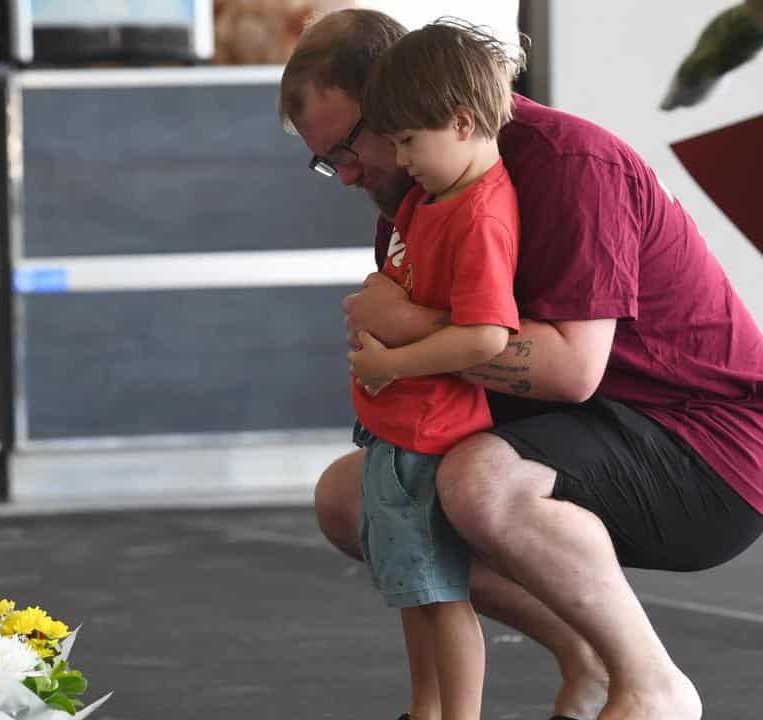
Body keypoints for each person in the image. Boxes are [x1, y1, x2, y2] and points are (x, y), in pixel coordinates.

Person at [278, 9, 763, 720]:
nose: (348, 177)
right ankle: (586, 662)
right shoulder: (414, 194)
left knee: (480, 483)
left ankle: (653, 685)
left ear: (403, 97)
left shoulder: (569, 163)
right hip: (583, 421)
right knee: (358, 499)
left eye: (350, 148)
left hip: (713, 447)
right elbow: (430, 374)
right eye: (328, 162)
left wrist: (409, 327)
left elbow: (570, 371)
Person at [344, 21, 523, 720]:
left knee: (441, 597)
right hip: (396, 432)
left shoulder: (479, 216)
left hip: (428, 434)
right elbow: (407, 282)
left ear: (463, 120)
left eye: (411, 141)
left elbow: (483, 335)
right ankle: (426, 709)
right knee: (413, 594)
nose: (400, 158)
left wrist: (393, 360)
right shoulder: (432, 199)